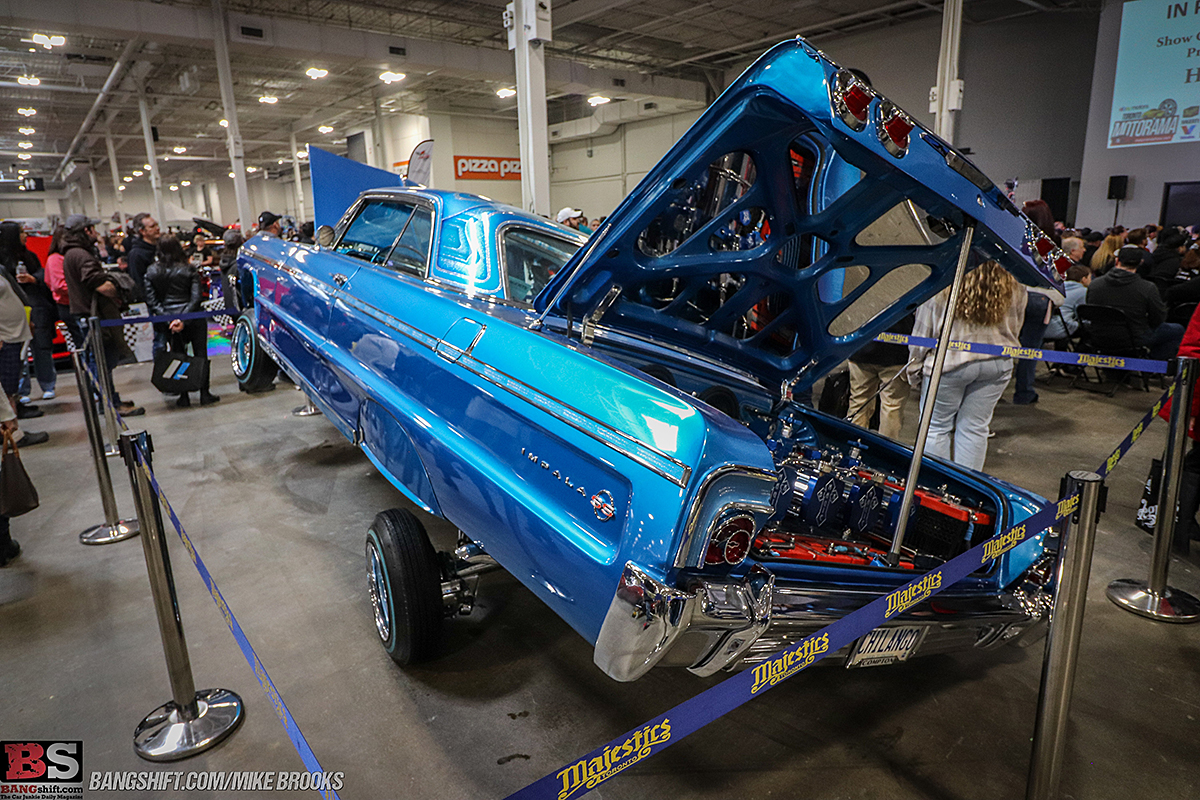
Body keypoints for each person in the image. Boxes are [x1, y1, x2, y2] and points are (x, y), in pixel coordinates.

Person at [907, 260, 1025, 471]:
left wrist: (914, 369)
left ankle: (937, 491)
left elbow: (923, 333)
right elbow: (1016, 326)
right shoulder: (1015, 283)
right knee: (975, 428)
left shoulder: (942, 283)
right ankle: (968, 494)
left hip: (949, 363)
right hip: (997, 363)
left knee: (935, 428)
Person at [61, 214, 144, 417]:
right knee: (101, 362)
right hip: (93, 316)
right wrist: (116, 288)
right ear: (85, 231)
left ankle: (109, 400)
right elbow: (97, 282)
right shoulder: (80, 254)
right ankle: (109, 404)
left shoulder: (72, 253)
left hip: (87, 314)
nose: (96, 233)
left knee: (99, 361)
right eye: (92, 229)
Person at [144, 235, 219, 408]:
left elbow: (152, 300)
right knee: (201, 354)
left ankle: (183, 395)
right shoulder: (189, 269)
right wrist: (183, 318)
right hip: (193, 318)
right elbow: (196, 297)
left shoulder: (151, 271)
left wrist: (171, 319)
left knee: (178, 356)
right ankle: (204, 393)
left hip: (169, 320)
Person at [1086, 245, 1184, 359]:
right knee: (1178, 330)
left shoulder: (1095, 284)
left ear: (1117, 261)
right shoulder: (1147, 288)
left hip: (1099, 336)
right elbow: (1158, 318)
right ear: (1140, 263)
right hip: (1135, 337)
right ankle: (1151, 365)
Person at [0, 223, 56, 403]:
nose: (25, 235)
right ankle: (21, 391)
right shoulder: (2, 261)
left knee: (42, 348)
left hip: (37, 308)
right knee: (18, 355)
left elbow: (42, 274)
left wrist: (34, 279)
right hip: (11, 320)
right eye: (21, 232)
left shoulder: (30, 256)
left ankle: (48, 385)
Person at [847, 313, 913, 440]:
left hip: (860, 348)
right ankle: (886, 452)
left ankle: (853, 448)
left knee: (859, 403)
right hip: (897, 352)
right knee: (892, 407)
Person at [1045, 262, 1091, 341]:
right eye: (1090, 278)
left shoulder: (1055, 288)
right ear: (1084, 279)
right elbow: (1084, 315)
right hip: (1064, 328)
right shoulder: (1083, 291)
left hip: (1045, 327)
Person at [126, 213, 161, 302]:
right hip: (152, 302)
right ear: (142, 231)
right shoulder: (136, 255)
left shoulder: (161, 249)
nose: (157, 228)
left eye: (157, 225)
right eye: (152, 226)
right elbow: (139, 283)